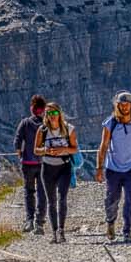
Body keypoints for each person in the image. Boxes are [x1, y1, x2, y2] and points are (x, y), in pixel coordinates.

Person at [96, 93, 131, 243]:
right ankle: (110, 221)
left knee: (129, 199)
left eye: (127, 104)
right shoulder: (110, 123)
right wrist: (99, 168)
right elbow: (103, 145)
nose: (125, 107)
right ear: (117, 105)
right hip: (113, 168)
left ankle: (127, 230)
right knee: (112, 198)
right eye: (122, 104)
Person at [36, 102, 79, 243]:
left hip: (64, 167)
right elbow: (36, 150)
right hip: (47, 168)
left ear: (59, 114)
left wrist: (63, 150)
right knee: (51, 201)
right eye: (48, 113)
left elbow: (75, 149)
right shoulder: (42, 130)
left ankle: (61, 230)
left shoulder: (68, 129)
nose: (52, 116)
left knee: (62, 198)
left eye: (54, 113)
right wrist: (47, 150)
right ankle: (54, 232)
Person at [15, 96, 48, 233]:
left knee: (29, 192)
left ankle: (29, 221)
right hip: (43, 164)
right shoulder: (47, 125)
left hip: (28, 163)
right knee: (42, 193)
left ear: (32, 108)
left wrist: (21, 155)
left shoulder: (25, 123)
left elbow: (17, 141)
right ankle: (40, 222)